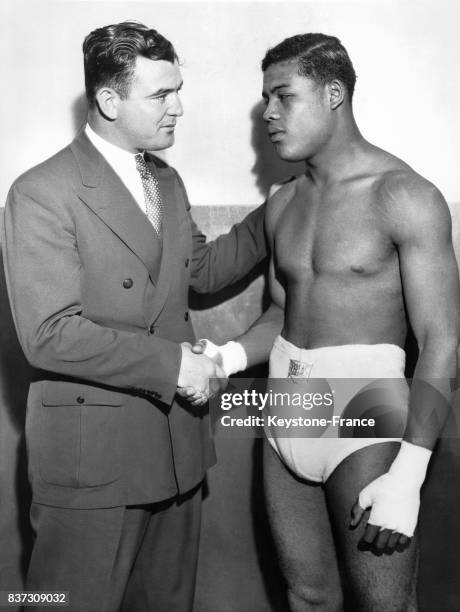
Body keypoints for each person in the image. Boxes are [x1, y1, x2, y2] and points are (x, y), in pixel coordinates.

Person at [1, 21, 267, 612]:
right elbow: (49, 335)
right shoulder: (41, 191)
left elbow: (198, 270)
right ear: (109, 100)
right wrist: (174, 364)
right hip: (93, 463)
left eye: (178, 90)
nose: (179, 107)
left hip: (176, 451)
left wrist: (274, 216)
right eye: (160, 95)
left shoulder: (165, 181)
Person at [193, 33, 459, 610]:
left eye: (283, 96)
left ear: (333, 93)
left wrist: (410, 471)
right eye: (265, 98)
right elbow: (283, 315)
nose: (268, 113)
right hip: (286, 401)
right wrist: (227, 358)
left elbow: (442, 340)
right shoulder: (285, 203)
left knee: (384, 605)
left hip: (365, 403)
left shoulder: (405, 195)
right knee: (307, 596)